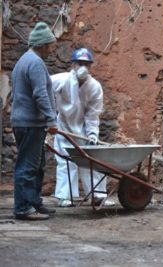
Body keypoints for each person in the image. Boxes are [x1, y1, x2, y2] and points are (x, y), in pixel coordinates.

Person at [52, 48, 114, 207]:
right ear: (73, 64)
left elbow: (93, 114)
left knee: (92, 162)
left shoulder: (94, 87)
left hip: (84, 131)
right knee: (66, 162)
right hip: (63, 127)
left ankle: (97, 195)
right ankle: (66, 197)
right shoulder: (61, 80)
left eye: (87, 64)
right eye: (80, 63)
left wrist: (93, 134)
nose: (83, 67)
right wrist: (49, 118)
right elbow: (43, 89)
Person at [11, 22, 58, 220]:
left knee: (37, 166)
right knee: (28, 167)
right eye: (50, 46)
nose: (51, 50)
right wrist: (51, 120)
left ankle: (34, 202)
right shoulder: (36, 63)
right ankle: (22, 208)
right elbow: (40, 94)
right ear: (43, 45)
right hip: (30, 123)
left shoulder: (23, 60)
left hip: (27, 122)